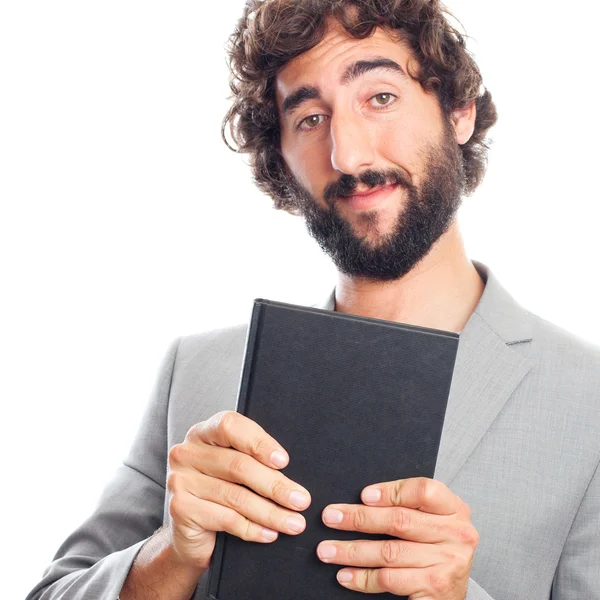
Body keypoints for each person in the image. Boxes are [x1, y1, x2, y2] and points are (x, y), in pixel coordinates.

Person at [26, 0, 600, 599]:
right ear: (282, 164)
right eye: (308, 119)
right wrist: (171, 553)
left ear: (458, 111)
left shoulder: (589, 403)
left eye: (380, 97)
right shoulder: (195, 374)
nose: (347, 156)